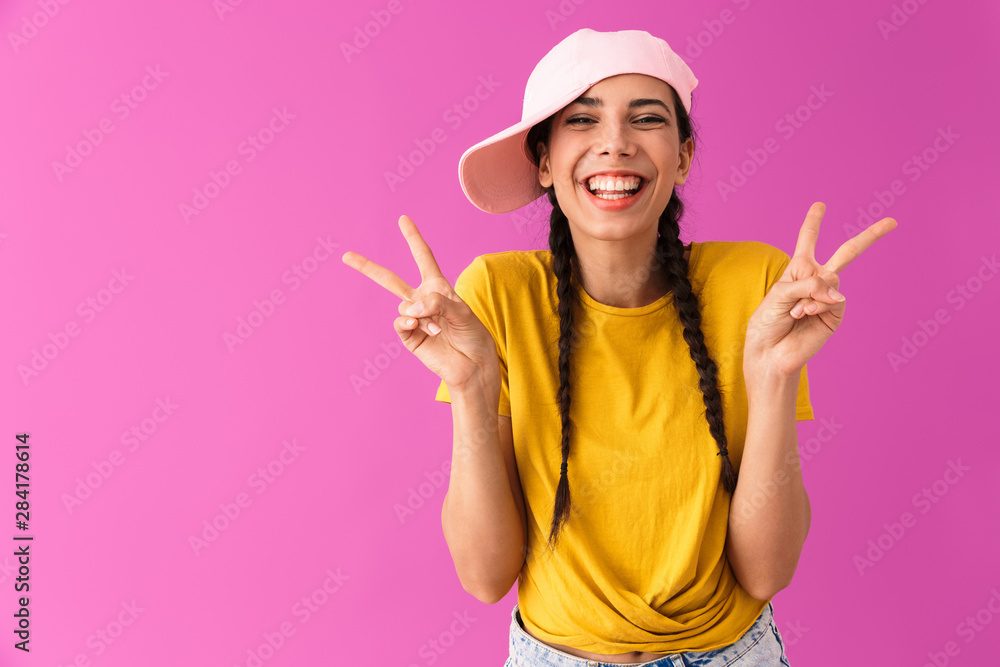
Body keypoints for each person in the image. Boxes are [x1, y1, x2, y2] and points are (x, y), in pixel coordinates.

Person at [342, 27, 895, 667]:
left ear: (683, 156)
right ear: (544, 161)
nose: (615, 143)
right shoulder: (497, 293)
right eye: (582, 120)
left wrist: (771, 376)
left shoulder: (760, 286)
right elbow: (485, 577)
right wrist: (471, 390)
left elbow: (766, 574)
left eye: (647, 118)